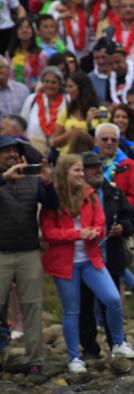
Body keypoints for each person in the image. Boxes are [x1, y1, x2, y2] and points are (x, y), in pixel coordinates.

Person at [41, 154, 134, 374]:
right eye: (76, 170)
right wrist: (79, 233)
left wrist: (96, 231)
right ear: (65, 172)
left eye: (81, 170)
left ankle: (119, 344)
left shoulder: (91, 195)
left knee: (113, 298)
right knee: (72, 311)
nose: (81, 174)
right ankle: (74, 357)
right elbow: (48, 232)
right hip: (64, 264)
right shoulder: (53, 199)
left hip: (90, 259)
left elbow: (100, 223)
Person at [0, 135, 57, 376]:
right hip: (1, 253)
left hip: (29, 252)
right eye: (6, 151)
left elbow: (53, 206)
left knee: (32, 308)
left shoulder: (33, 181)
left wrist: (47, 184)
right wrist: (4, 177)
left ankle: (35, 360)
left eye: (15, 151)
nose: (12, 154)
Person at [77, 151, 134, 360]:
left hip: (110, 256)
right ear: (82, 172)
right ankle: (90, 349)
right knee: (85, 305)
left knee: (111, 302)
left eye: (99, 166)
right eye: (92, 167)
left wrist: (123, 227)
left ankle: (116, 344)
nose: (97, 170)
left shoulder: (114, 192)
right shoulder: (76, 194)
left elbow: (130, 217)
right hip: (84, 258)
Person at [93, 122, 134, 211]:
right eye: (105, 139)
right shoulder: (89, 164)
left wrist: (111, 204)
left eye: (113, 140)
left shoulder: (129, 164)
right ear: (96, 141)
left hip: (121, 216)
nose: (109, 142)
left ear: (118, 142)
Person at [51, 71, 102, 154]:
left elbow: (104, 139)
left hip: (91, 156)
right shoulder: (66, 111)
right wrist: (68, 134)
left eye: (71, 87)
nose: (67, 90)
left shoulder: (99, 111)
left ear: (82, 88)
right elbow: (53, 142)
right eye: (66, 87)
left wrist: (88, 126)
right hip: (67, 157)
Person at [19, 66, 67, 155]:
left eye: (54, 82)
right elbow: (22, 124)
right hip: (33, 150)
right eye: (46, 81)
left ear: (60, 84)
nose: (50, 85)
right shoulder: (32, 99)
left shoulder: (67, 101)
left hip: (59, 150)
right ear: (42, 83)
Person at [5, 16, 48, 87]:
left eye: (27, 27)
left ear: (32, 31)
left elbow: (45, 76)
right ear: (16, 32)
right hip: (16, 92)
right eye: (20, 28)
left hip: (36, 92)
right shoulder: (9, 54)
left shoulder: (41, 54)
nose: (24, 30)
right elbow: (8, 76)